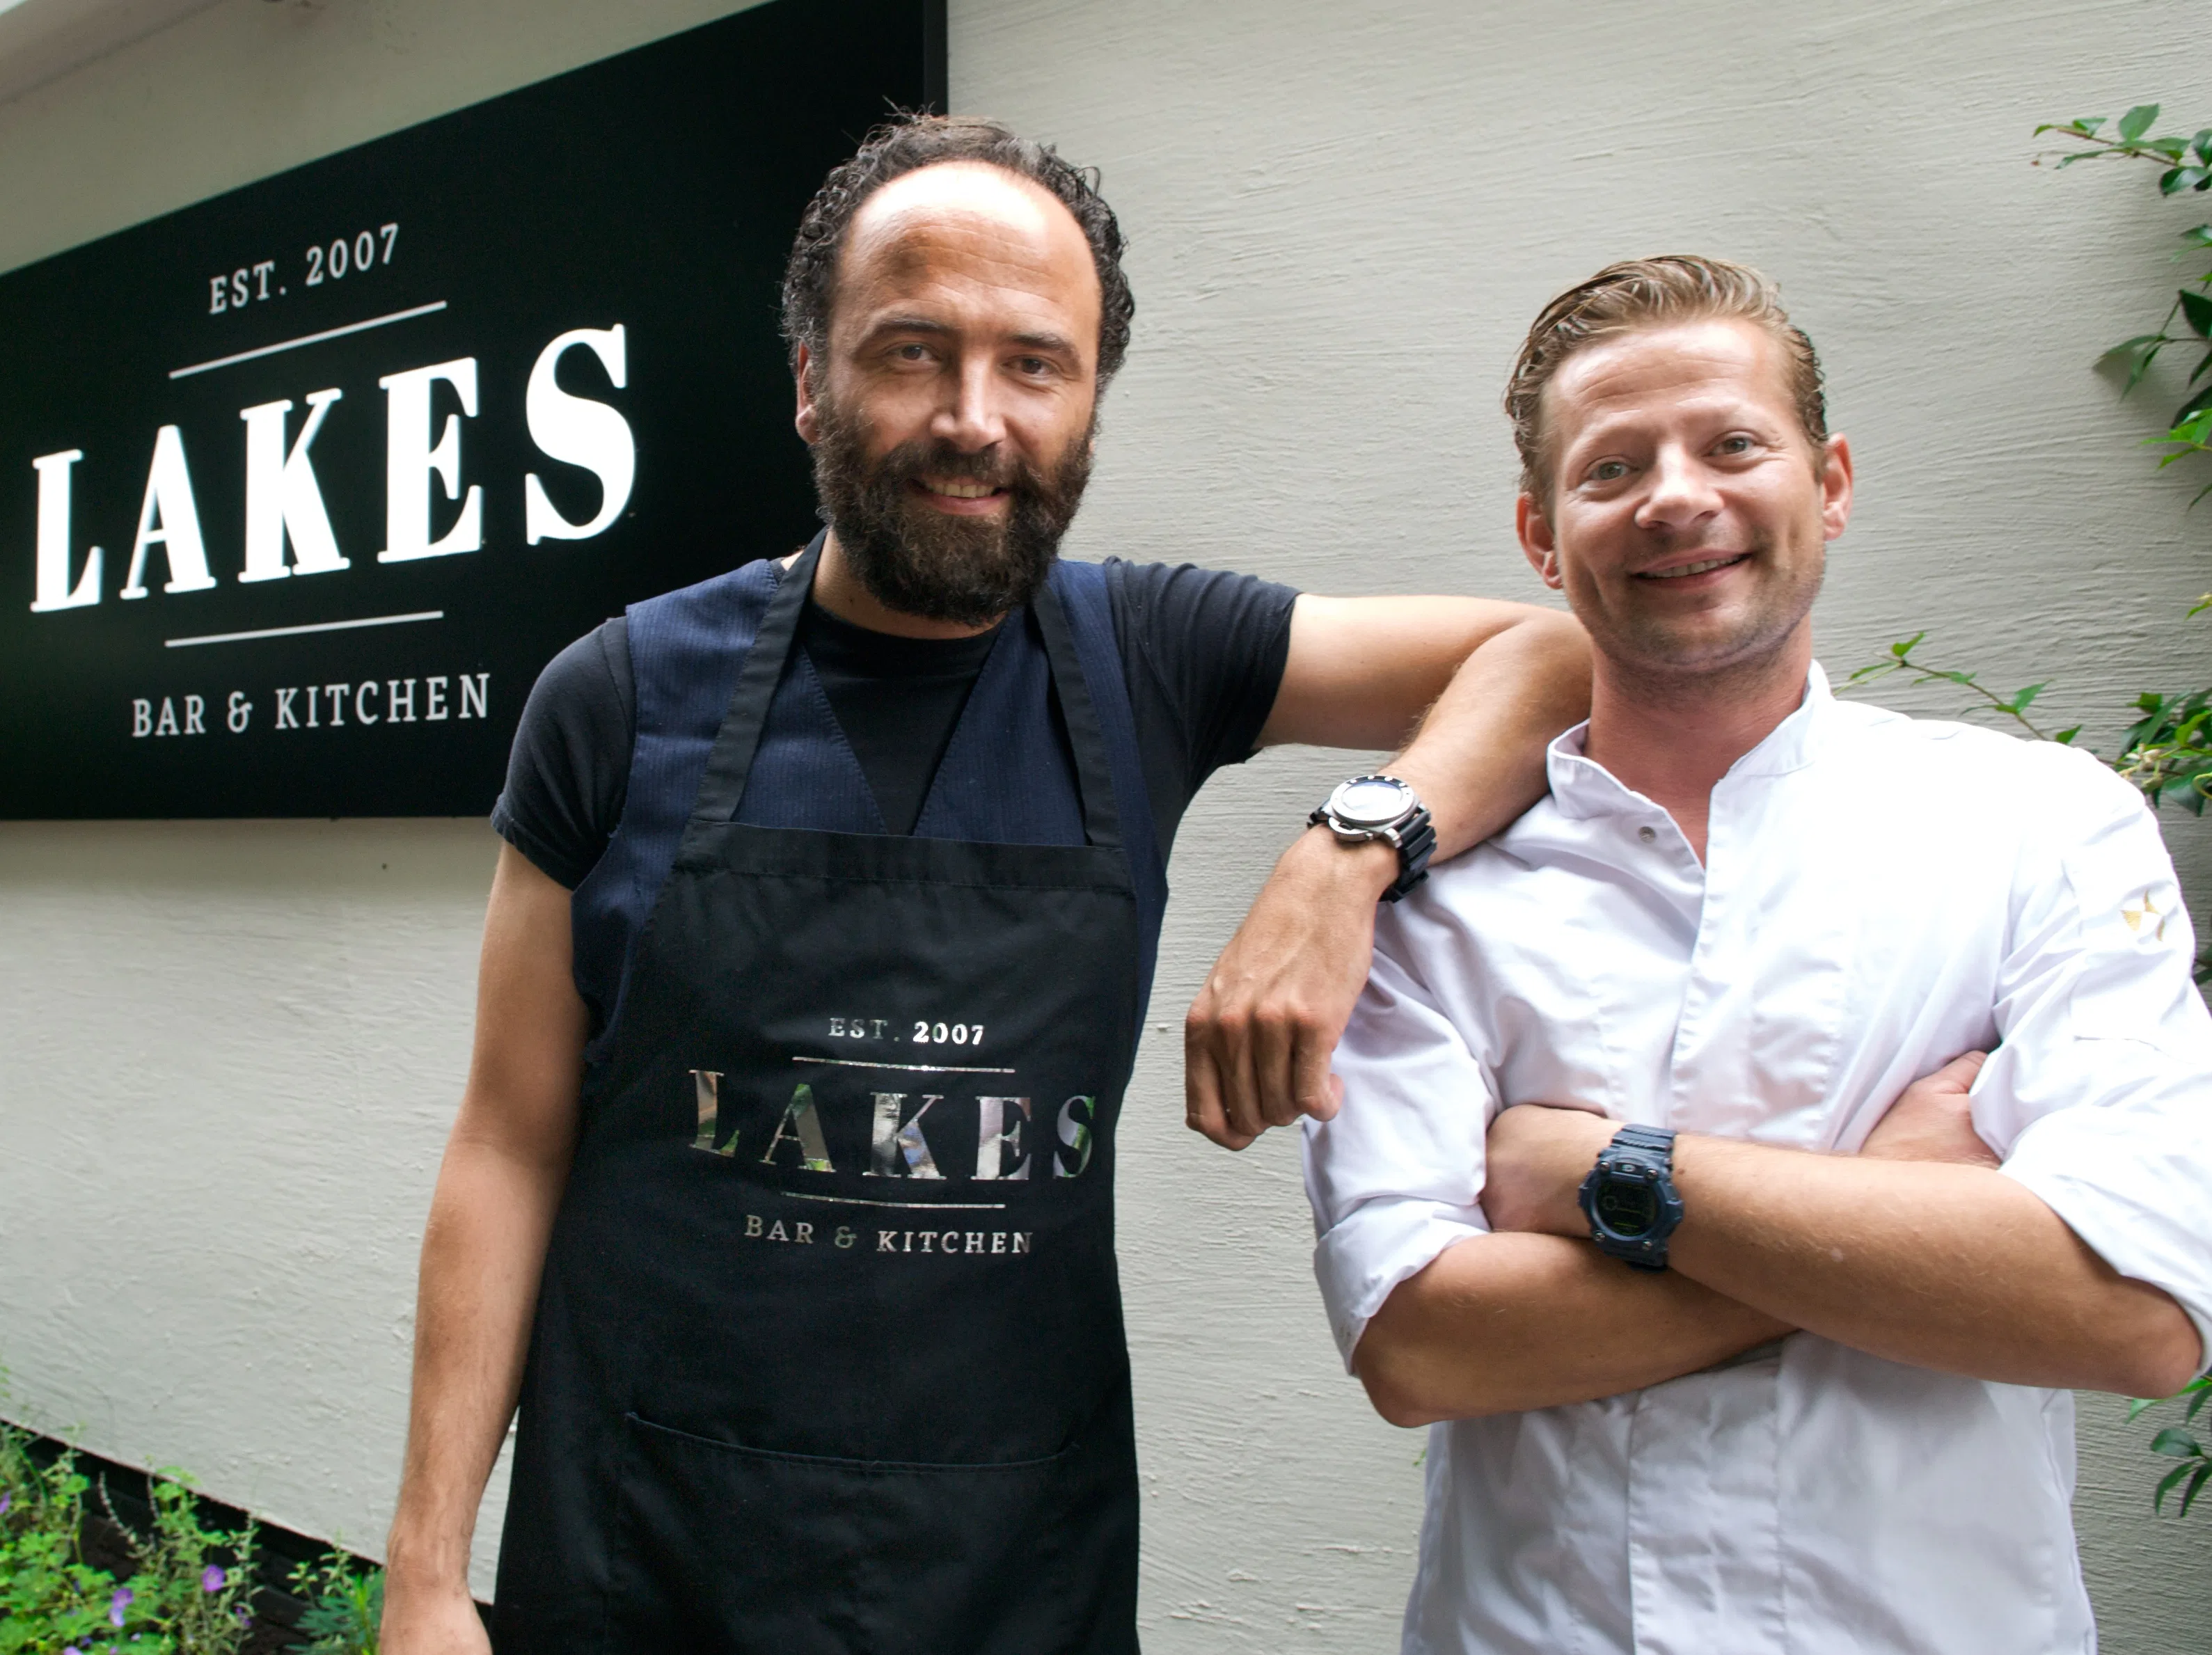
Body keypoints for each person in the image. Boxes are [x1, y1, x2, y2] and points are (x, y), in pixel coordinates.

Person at [378, 115, 1591, 1654]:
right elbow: (506, 1140)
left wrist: (1347, 849)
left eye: (1034, 363)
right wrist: (424, 1570)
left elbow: (1551, 653)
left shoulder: (1154, 656)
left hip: (1014, 1568)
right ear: (811, 379)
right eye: (910, 353)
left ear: (1087, 401)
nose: (974, 418)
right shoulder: (615, 697)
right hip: (642, 1557)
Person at [1300, 254, 2212, 1654]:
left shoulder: (2040, 828)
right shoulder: (1435, 904)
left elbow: (2133, 1309)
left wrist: (1619, 1181)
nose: (1676, 495)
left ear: (1828, 482)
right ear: (1541, 535)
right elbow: (1422, 1346)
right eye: (1611, 469)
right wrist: (1889, 1212)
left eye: (1731, 443)